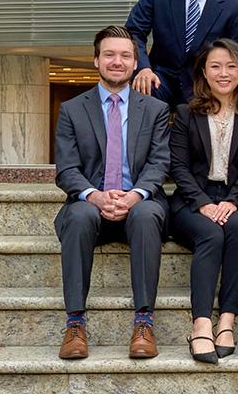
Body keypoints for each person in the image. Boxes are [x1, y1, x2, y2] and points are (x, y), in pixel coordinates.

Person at [54, 25, 170, 360]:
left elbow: (159, 163)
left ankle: (144, 322)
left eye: (124, 55)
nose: (116, 61)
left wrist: (135, 195)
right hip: (91, 205)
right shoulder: (73, 109)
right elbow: (66, 169)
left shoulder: (155, 110)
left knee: (148, 214)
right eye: (109, 55)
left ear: (135, 63)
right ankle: (75, 324)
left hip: (139, 204)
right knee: (77, 215)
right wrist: (94, 195)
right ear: (96, 60)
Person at [169, 39, 238, 363]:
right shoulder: (185, 113)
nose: (224, 73)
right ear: (204, 73)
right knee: (210, 233)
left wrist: (234, 201)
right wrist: (203, 203)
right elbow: (178, 166)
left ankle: (227, 321)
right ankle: (201, 324)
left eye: (231, 66)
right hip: (191, 201)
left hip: (234, 198)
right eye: (215, 66)